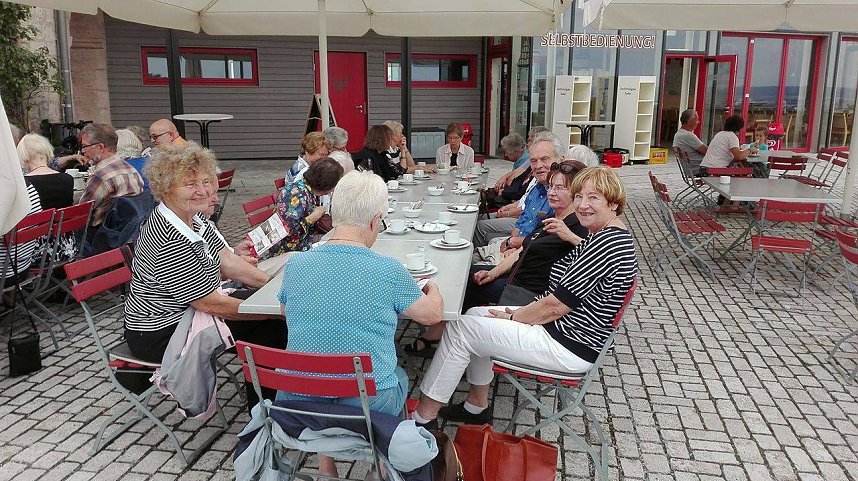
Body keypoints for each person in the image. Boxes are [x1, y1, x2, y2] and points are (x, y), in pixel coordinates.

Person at [411, 166, 638, 427]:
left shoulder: (605, 244)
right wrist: (513, 315)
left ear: (613, 202)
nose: (583, 205)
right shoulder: (605, 235)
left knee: (461, 329)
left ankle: (423, 419)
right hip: (563, 331)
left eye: (593, 198)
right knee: (473, 315)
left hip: (565, 343)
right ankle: (476, 407)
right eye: (579, 197)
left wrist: (516, 316)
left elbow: (554, 306)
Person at [276, 170, 443, 478]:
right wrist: (433, 288)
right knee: (400, 378)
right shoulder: (389, 270)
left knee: (325, 373)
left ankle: (326, 464)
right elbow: (432, 317)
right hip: (365, 405)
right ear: (373, 220)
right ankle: (383, 461)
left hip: (298, 399)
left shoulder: (296, 263)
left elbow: (288, 313)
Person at [124, 143, 286, 409]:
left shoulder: (194, 219)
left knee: (271, 317)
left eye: (207, 181)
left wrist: (273, 289)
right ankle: (265, 416)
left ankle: (275, 400)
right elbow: (210, 303)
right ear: (165, 189)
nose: (204, 191)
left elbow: (228, 261)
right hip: (160, 331)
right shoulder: (167, 237)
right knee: (268, 329)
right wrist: (277, 310)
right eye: (190, 184)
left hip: (192, 311)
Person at [406, 160, 589, 357]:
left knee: (464, 282)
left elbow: (593, 257)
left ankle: (443, 334)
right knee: (467, 274)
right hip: (515, 279)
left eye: (560, 188)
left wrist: (571, 237)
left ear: (577, 193)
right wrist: (491, 273)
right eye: (551, 186)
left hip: (527, 293)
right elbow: (523, 251)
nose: (552, 192)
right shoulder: (554, 217)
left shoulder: (576, 226)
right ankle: (444, 330)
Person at [473, 131, 557, 248]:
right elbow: (521, 221)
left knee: (478, 226)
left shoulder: (558, 194)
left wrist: (512, 242)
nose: (538, 165)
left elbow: (545, 242)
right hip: (518, 246)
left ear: (560, 159)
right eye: (533, 160)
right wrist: (511, 242)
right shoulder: (537, 187)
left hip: (527, 253)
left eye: (544, 159)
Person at [77, 123, 145, 230]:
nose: (82, 151)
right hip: (130, 232)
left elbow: (81, 213)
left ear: (100, 147)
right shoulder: (129, 168)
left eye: (85, 146)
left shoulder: (100, 176)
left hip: (104, 235)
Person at [272, 158, 343, 254]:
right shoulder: (298, 195)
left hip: (302, 240)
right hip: (289, 248)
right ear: (327, 185)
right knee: (336, 245)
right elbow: (288, 230)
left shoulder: (306, 189)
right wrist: (313, 217)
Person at [17, 133, 74, 210]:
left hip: (38, 221)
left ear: (25, 157)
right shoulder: (68, 179)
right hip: (64, 221)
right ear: (47, 154)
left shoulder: (24, 185)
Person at [672, 109, 708, 174]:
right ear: (689, 121)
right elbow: (707, 151)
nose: (698, 122)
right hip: (699, 169)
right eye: (697, 120)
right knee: (724, 167)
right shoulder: (688, 135)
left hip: (690, 169)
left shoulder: (679, 134)